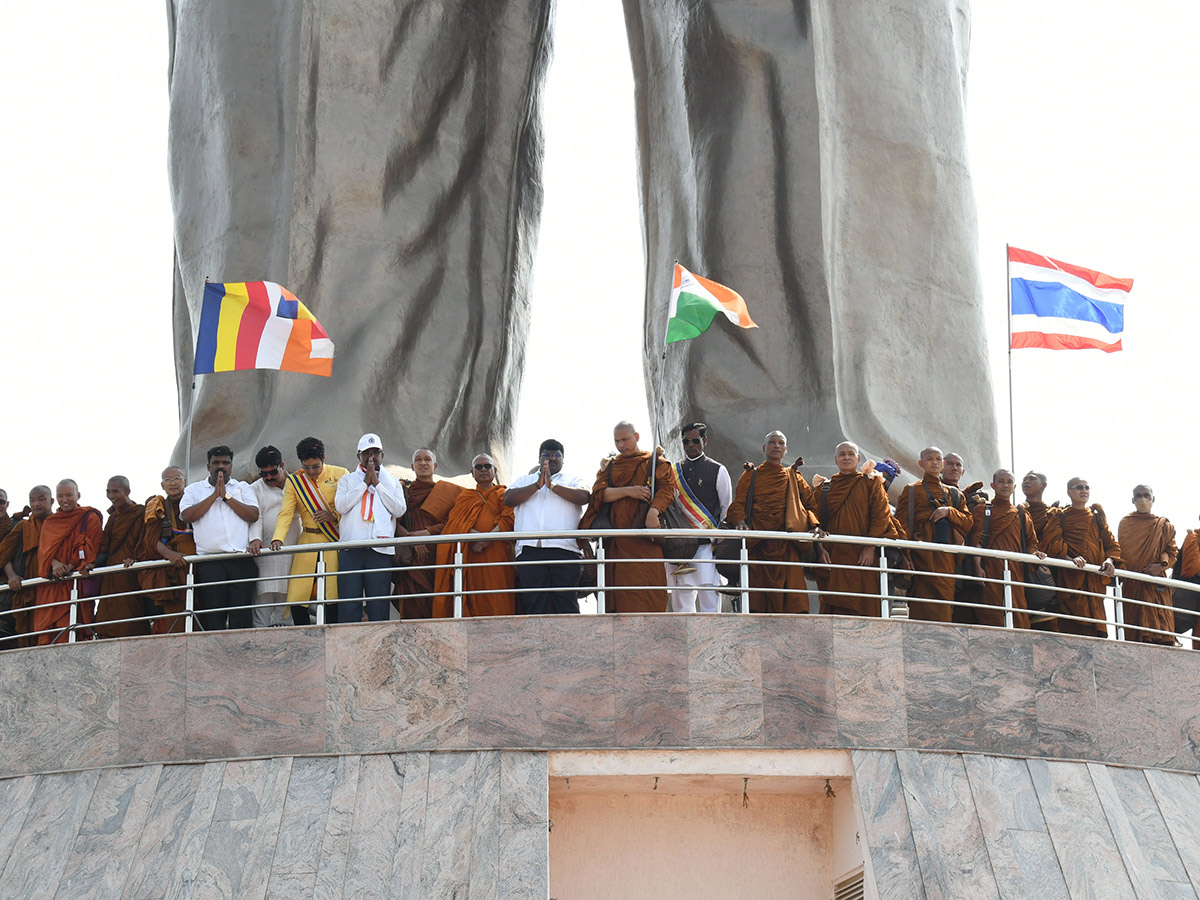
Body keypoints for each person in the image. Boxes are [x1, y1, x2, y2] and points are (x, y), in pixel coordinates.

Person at [579, 422, 676, 612]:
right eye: (617, 441)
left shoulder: (653, 462)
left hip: (644, 539)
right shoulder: (611, 466)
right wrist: (629, 491)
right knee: (615, 593)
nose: (621, 445)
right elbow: (599, 495)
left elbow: (667, 488)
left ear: (637, 436)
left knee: (648, 591)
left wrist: (654, 511)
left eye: (625, 440)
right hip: (615, 540)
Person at [725, 430, 819, 614]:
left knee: (795, 604)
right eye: (772, 442)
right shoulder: (751, 475)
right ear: (764, 448)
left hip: (787, 547)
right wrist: (741, 521)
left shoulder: (794, 477)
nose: (776, 446)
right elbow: (737, 505)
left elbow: (810, 506)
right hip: (758, 546)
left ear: (785, 449)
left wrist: (814, 525)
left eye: (781, 443)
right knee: (757, 604)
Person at [504, 439, 590, 614]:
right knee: (534, 603)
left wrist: (553, 486)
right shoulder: (524, 480)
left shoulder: (572, 480)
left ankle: (570, 641)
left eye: (556, 455)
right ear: (539, 458)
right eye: (547, 455)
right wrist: (537, 485)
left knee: (566, 603)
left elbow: (584, 497)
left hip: (564, 549)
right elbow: (509, 499)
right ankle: (537, 642)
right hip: (530, 550)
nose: (551, 459)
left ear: (563, 459)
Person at [180, 445, 260, 631]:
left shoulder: (242, 487)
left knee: (241, 617)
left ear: (231, 465)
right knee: (214, 617)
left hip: (240, 560)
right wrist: (214, 495)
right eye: (216, 463)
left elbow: (252, 515)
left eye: (225, 462)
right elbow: (187, 516)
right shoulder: (194, 490)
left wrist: (226, 496)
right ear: (208, 466)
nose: (221, 466)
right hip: (211, 562)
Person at [270, 436, 347, 625]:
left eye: (315, 466)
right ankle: (303, 635)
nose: (311, 472)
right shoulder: (295, 481)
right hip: (307, 539)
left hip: (332, 539)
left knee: (332, 594)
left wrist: (333, 516)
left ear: (324, 459)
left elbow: (350, 506)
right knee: (297, 594)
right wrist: (278, 538)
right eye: (307, 467)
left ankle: (333, 632)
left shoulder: (341, 473)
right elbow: (286, 513)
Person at [810, 442, 892, 617]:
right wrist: (820, 548)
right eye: (842, 454)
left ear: (858, 458)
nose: (846, 457)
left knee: (866, 605)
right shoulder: (825, 487)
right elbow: (812, 518)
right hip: (833, 556)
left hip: (862, 556)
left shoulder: (871, 482)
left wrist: (870, 547)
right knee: (833, 606)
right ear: (836, 459)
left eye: (851, 454)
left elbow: (881, 515)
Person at [333, 433, 406, 623]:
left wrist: (378, 485)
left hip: (379, 550)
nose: (371, 457)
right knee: (349, 603)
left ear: (383, 455)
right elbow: (341, 507)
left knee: (378, 604)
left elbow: (399, 510)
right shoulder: (347, 480)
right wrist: (364, 484)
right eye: (367, 453)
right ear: (359, 456)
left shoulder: (392, 482)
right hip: (352, 548)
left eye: (375, 453)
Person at [895, 446, 972, 622]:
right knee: (921, 606)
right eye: (930, 459)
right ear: (921, 463)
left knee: (944, 606)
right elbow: (901, 525)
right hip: (919, 556)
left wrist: (949, 512)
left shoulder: (953, 493)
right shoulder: (912, 490)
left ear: (943, 464)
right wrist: (905, 556)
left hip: (945, 560)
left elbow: (968, 522)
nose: (934, 462)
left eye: (938, 459)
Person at [434, 453, 516, 616]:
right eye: (479, 467)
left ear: (495, 470)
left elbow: (510, 517)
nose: (483, 469)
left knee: (499, 599)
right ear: (472, 472)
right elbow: (455, 523)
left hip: (497, 556)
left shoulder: (503, 493)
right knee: (473, 597)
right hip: (472, 556)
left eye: (487, 466)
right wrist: (476, 536)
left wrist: (487, 539)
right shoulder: (465, 497)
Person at [1040, 477, 1121, 638]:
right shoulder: (1060, 516)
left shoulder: (1097, 518)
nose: (1084, 490)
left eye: (1086, 487)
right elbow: (1053, 544)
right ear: (1069, 492)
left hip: (1093, 583)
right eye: (1079, 487)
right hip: (1070, 579)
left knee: (1095, 628)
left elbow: (1112, 545)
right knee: (1070, 627)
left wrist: (1109, 560)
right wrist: (1069, 559)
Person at [967, 469, 1047, 629]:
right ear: (993, 485)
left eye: (1009, 482)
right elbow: (977, 540)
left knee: (1018, 615)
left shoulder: (1022, 514)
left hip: (1016, 572)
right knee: (991, 613)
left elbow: (1031, 542)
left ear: (1014, 486)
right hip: (990, 570)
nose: (1005, 485)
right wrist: (977, 567)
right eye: (1001, 482)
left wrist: (1034, 554)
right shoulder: (982, 510)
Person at [664, 423, 731, 612]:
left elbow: (726, 507)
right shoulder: (673, 471)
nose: (690, 445)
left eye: (695, 441)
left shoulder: (718, 470)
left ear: (705, 441)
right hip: (680, 547)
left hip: (706, 545)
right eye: (686, 442)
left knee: (709, 595)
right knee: (681, 599)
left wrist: (721, 540)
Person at [394, 448, 463, 618]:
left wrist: (426, 533)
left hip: (436, 554)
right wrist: (412, 541)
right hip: (411, 555)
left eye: (427, 460)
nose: (423, 463)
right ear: (412, 466)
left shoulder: (448, 492)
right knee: (412, 604)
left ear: (435, 465)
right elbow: (392, 522)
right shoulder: (403, 492)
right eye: (418, 460)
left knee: (438, 599)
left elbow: (452, 522)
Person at [34, 480, 103, 645]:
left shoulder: (90, 517)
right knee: (49, 631)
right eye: (60, 496)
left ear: (78, 496)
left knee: (76, 624)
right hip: (53, 585)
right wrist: (55, 564)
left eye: (69, 495)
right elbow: (43, 551)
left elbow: (92, 546)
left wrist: (70, 567)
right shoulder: (51, 522)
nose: (64, 500)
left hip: (75, 582)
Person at [137, 466, 195, 634]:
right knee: (175, 616)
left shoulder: (195, 502)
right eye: (168, 480)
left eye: (177, 478)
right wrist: (169, 555)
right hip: (172, 569)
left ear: (185, 482)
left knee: (199, 608)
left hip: (195, 565)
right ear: (162, 485)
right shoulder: (157, 505)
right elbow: (150, 540)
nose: (173, 483)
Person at [1117, 485, 1177, 645]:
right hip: (1133, 585)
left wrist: (1160, 567)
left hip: (1156, 586)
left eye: (1146, 495)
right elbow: (1122, 553)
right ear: (1133, 500)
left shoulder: (1163, 526)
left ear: (1153, 499)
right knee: (1134, 634)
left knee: (1161, 632)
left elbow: (1172, 554)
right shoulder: (1126, 523)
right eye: (1138, 496)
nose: (1142, 499)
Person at [89, 476, 149, 638]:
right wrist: (91, 564)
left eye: (115, 491)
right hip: (112, 577)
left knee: (132, 618)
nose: (111, 496)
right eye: (108, 492)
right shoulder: (113, 518)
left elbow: (146, 542)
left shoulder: (140, 513)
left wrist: (136, 558)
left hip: (131, 573)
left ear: (127, 492)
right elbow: (105, 548)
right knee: (107, 619)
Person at [247, 447, 298, 627]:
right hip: (265, 556)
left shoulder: (298, 484)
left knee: (289, 609)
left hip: (293, 556)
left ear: (282, 466)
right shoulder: (254, 489)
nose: (268, 478)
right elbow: (256, 517)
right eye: (264, 474)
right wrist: (255, 539)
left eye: (273, 472)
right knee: (262, 610)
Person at [0, 485, 53, 648]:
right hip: (13, 592)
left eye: (41, 499)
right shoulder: (23, 526)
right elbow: (3, 555)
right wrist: (11, 576)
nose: (36, 504)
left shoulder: (17, 524)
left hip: (46, 586)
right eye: (32, 501)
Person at [1020, 471, 1054, 541]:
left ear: (1043, 485)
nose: (1026, 482)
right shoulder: (1017, 513)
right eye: (1024, 480)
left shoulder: (1052, 514)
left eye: (1031, 479)